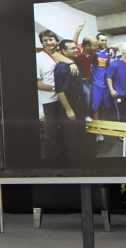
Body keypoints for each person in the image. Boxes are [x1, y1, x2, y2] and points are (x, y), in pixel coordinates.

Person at [36, 29, 77, 158]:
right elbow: (35, 83)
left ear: (56, 41)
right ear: (42, 43)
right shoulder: (39, 57)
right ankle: (49, 160)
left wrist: (72, 63)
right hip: (49, 100)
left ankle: (63, 157)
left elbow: (72, 45)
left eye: (51, 39)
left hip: (62, 99)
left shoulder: (58, 54)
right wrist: (55, 88)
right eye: (45, 41)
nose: (48, 42)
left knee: (64, 130)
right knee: (51, 132)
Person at [53, 39, 87, 161]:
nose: (75, 49)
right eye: (72, 48)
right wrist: (69, 110)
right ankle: (71, 163)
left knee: (79, 132)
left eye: (75, 47)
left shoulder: (73, 61)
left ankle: (80, 157)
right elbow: (60, 91)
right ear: (63, 51)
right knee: (70, 135)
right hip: (70, 104)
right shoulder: (62, 68)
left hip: (79, 102)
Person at [106, 46, 126, 122]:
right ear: (124, 53)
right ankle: (121, 130)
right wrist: (112, 90)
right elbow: (108, 77)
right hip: (119, 94)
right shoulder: (115, 64)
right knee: (121, 113)